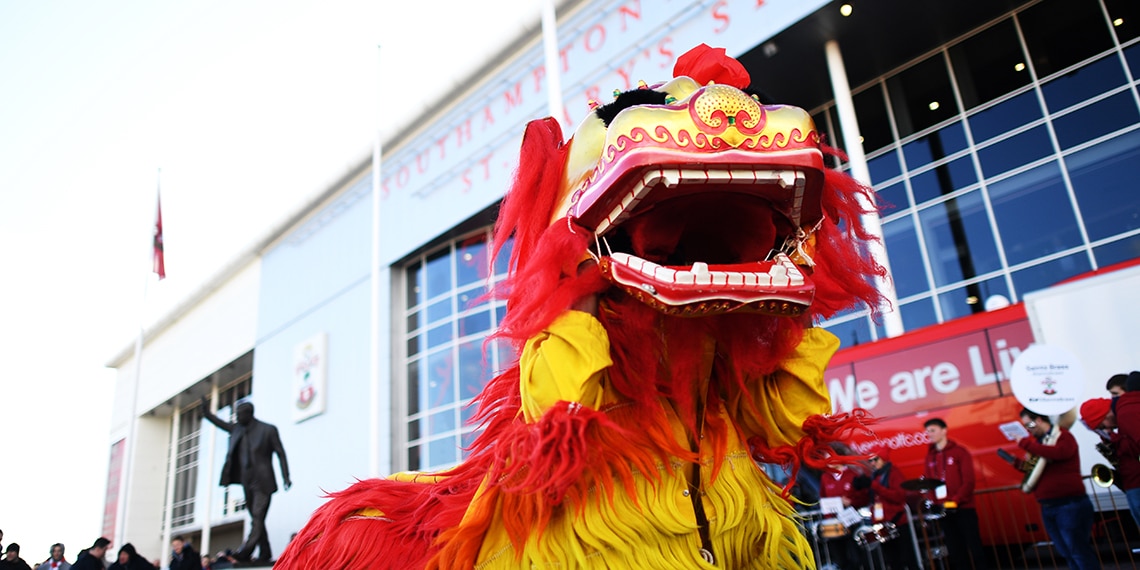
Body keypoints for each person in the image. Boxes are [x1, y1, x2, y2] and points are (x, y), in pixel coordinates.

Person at [200, 397, 291, 563]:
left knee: (257, 515)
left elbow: (280, 453)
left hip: (263, 481)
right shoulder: (237, 429)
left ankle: (245, 551)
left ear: (249, 414)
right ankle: (265, 552)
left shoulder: (268, 430)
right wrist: (206, 412)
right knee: (257, 518)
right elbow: (219, 423)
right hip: (246, 481)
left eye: (239, 414)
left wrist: (286, 476)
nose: (236, 417)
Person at [1017, 408, 1100, 570]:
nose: (1028, 429)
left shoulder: (1063, 437)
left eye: (1029, 424)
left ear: (1039, 420)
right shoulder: (1040, 443)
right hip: (1049, 505)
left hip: (1068, 504)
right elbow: (1037, 469)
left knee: (1077, 551)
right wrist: (1017, 463)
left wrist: (1025, 444)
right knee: (1067, 552)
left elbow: (1060, 453)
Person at [923, 417, 989, 569]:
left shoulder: (959, 452)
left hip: (963, 508)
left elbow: (969, 482)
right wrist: (934, 502)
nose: (930, 434)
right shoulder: (930, 457)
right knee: (955, 550)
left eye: (932, 430)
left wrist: (956, 500)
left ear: (944, 430)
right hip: (944, 511)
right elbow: (929, 482)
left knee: (974, 546)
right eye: (927, 432)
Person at [865, 445, 919, 570]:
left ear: (883, 458)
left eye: (875, 459)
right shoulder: (874, 476)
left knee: (907, 558)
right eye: (870, 461)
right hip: (883, 525)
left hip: (897, 522)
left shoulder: (894, 473)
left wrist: (874, 486)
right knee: (892, 561)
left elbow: (899, 497)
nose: (872, 463)